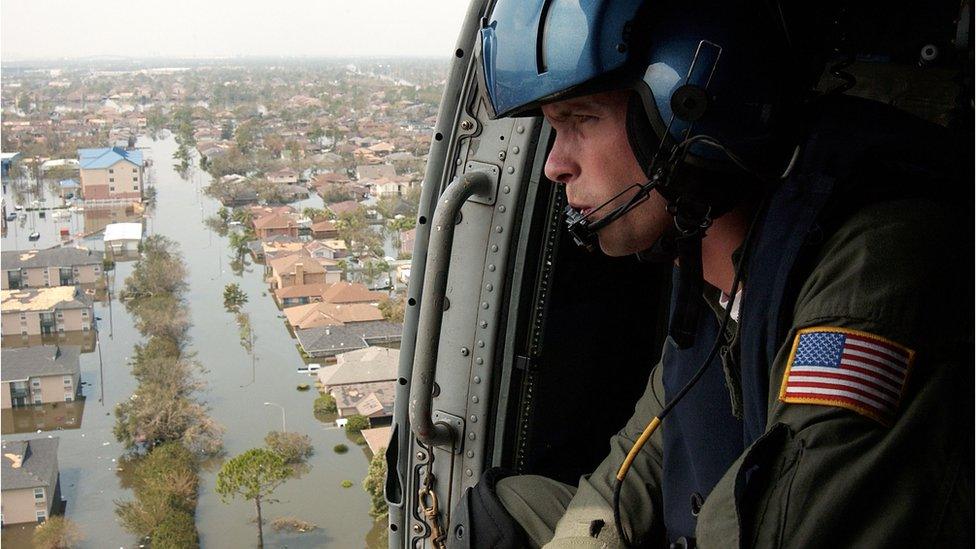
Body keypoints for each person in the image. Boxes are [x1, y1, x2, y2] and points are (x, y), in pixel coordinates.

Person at [452, 0, 973, 548]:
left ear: (691, 110)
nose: (555, 165)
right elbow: (651, 444)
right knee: (498, 519)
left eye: (581, 120)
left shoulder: (873, 268)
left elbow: (790, 524)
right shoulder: (709, 266)